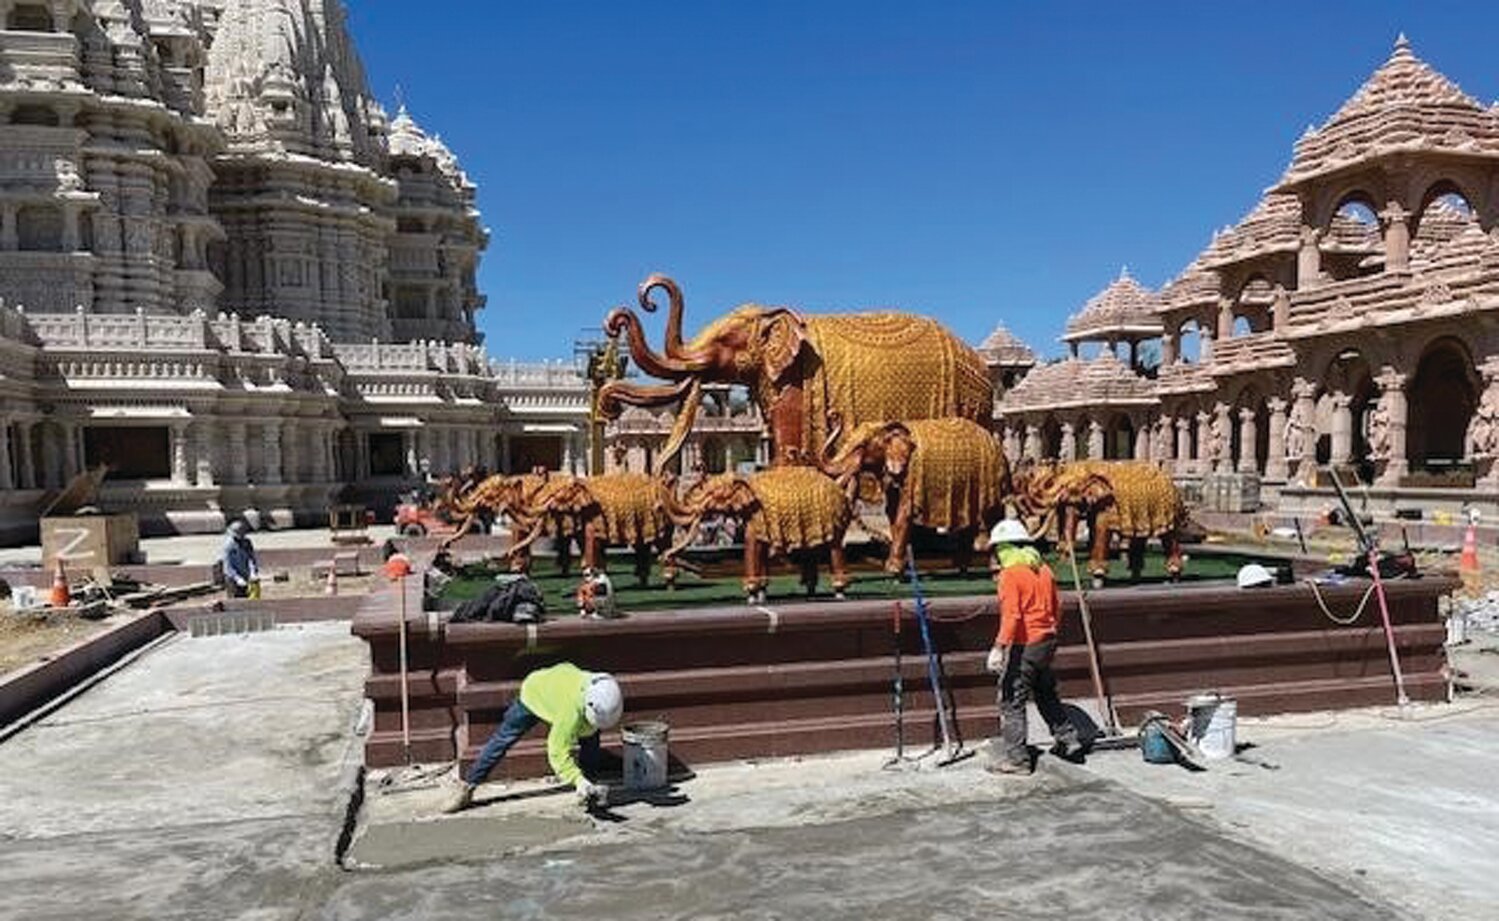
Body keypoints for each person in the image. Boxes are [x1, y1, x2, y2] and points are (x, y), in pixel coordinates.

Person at [444, 662, 623, 813]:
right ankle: (467, 785)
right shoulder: (570, 713)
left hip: (558, 689)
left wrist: (584, 782)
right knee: (504, 738)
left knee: (591, 742)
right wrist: (576, 778)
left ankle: (588, 789)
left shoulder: (604, 688)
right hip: (534, 693)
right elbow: (557, 751)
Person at [986, 519, 1082, 774]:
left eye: (996, 550)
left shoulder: (1010, 575)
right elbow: (1057, 607)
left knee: (1011, 700)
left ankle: (1018, 760)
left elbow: (1012, 616)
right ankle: (1068, 740)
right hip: (1047, 641)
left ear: (1004, 548)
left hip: (1024, 644)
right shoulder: (1044, 570)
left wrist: (999, 647)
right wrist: (1049, 630)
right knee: (1045, 692)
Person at [221, 520, 260, 598]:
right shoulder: (229, 545)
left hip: (246, 575)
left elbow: (251, 559)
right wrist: (237, 578)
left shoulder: (247, 542)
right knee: (236, 600)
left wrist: (253, 572)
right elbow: (228, 566)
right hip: (233, 579)